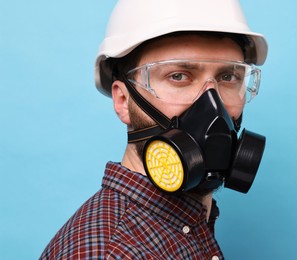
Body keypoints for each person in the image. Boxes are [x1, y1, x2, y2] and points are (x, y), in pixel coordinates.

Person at [40, 0, 268, 259]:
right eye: (178, 76)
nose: (213, 104)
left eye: (229, 77)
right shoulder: (113, 253)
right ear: (123, 101)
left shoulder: (184, 227)